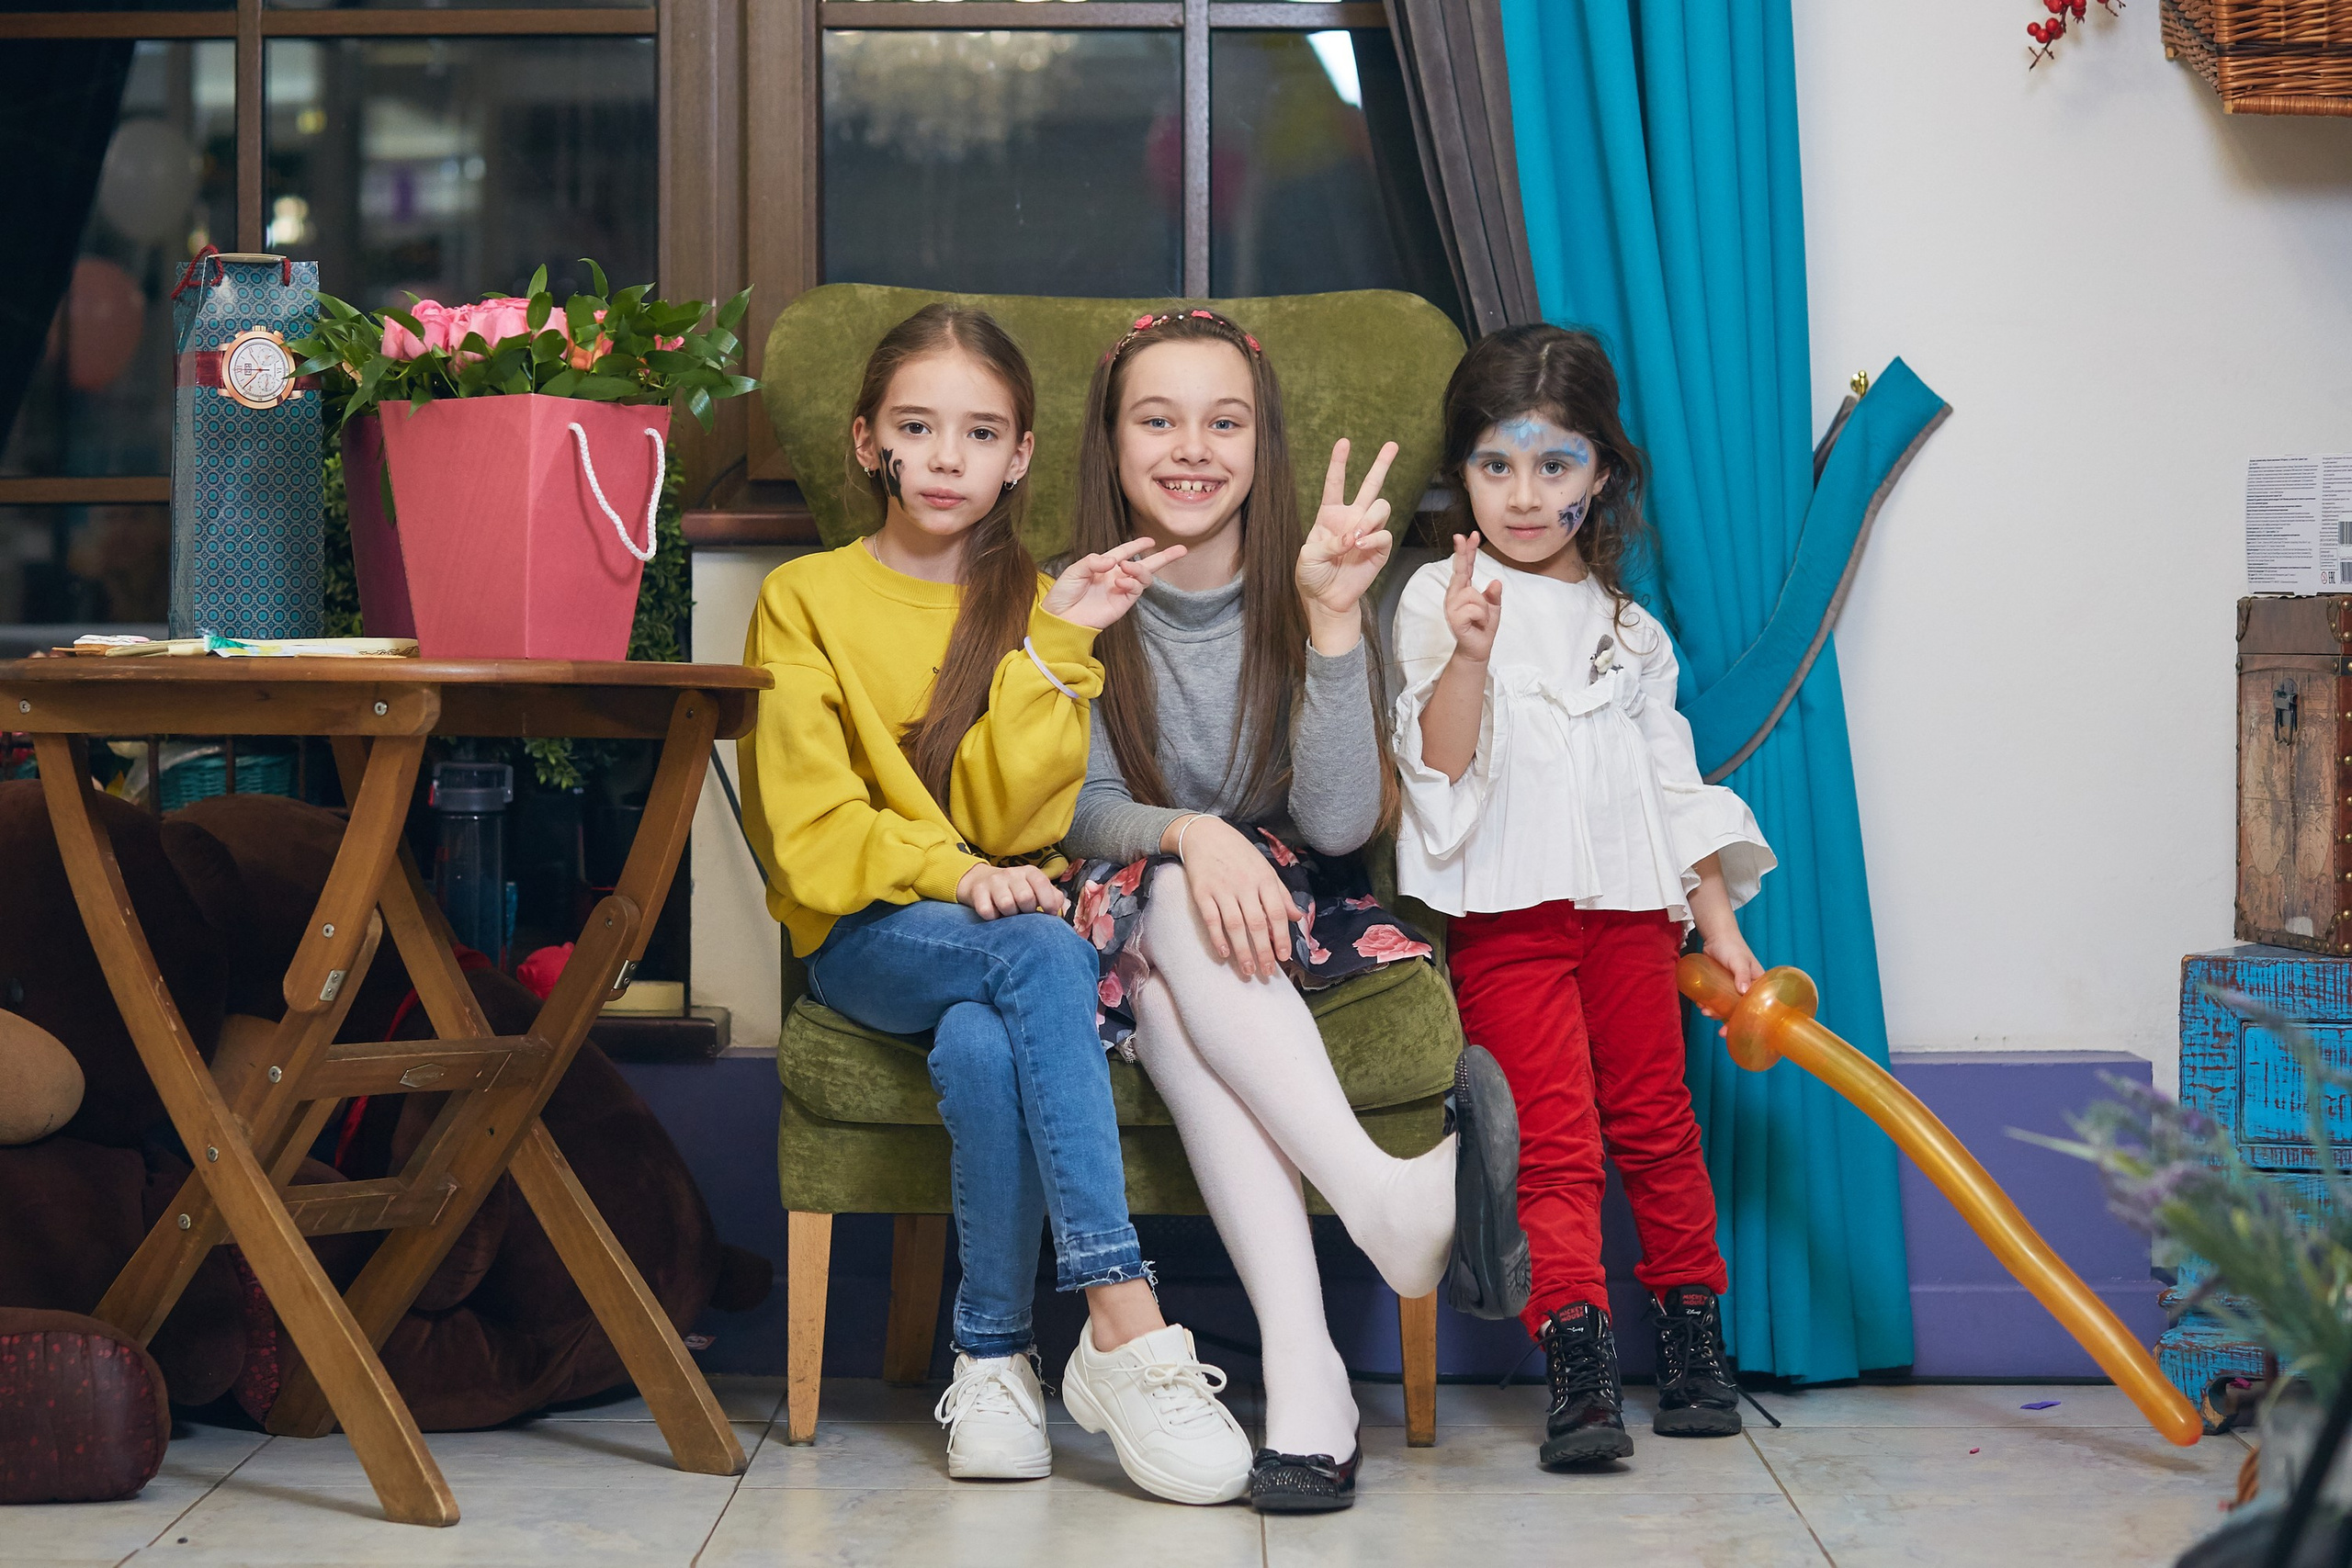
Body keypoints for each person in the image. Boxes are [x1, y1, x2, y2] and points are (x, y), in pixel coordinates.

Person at [737, 303, 1256, 1505]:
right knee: (1034, 947)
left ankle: (992, 1357)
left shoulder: (1039, 593)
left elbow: (1020, 818)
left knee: (987, 1032)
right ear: (869, 440)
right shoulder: (804, 598)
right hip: (872, 930)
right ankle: (1124, 1315)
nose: (945, 457)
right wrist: (959, 873)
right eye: (917, 427)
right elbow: (813, 832)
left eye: (979, 433)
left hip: (1001, 931)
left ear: (1020, 454)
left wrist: (1060, 641)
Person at [1057, 307, 1530, 1514]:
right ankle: (1373, 1216)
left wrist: (1329, 624)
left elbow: (1332, 826)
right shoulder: (1077, 596)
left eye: (1225, 421)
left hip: (1286, 907)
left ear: (1261, 445)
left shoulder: (1313, 581)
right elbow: (1083, 808)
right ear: (1110, 443)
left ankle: (1312, 1368)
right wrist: (1192, 832)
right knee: (1157, 912)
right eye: (1157, 419)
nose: (1191, 447)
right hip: (1138, 885)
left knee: (1168, 985)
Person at [1391, 323, 1776, 1468]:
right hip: (1508, 925)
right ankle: (1578, 1364)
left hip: (1626, 920)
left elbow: (1672, 783)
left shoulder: (1630, 631)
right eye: (1495, 465)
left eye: (1553, 465)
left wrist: (1717, 923)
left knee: (1658, 1127)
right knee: (1553, 1146)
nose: (1522, 494)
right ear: (1460, 471)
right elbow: (1439, 767)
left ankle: (1697, 1344)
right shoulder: (1435, 599)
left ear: (1600, 472)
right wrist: (1467, 656)